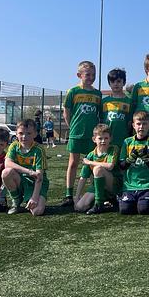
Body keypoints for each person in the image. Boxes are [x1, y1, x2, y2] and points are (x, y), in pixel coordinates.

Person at [61, 61, 102, 207]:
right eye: (87, 74)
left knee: (93, 164)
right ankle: (68, 195)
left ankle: (93, 193)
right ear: (79, 75)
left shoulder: (97, 94)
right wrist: (72, 127)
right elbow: (66, 112)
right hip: (76, 134)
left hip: (92, 136)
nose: (91, 77)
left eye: (93, 75)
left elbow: (99, 114)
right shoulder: (73, 91)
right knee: (73, 163)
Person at [1, 119, 49, 216]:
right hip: (21, 179)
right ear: (16, 134)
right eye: (21, 133)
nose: (24, 136)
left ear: (35, 134)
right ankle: (16, 201)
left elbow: (39, 177)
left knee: (37, 211)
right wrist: (29, 171)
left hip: (36, 182)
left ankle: (30, 198)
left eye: (28, 133)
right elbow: (7, 163)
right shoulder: (14, 146)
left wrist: (34, 198)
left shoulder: (39, 149)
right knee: (6, 172)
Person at [118, 111, 149, 215]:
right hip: (129, 185)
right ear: (133, 125)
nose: (141, 127)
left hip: (147, 185)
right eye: (138, 124)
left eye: (144, 124)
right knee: (125, 210)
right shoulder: (127, 142)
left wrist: (146, 159)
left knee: (144, 209)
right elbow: (122, 166)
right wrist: (130, 159)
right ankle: (124, 198)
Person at [74, 124, 120, 215]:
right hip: (97, 187)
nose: (103, 141)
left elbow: (110, 166)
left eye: (106, 138)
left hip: (113, 186)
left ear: (110, 138)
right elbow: (83, 177)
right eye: (100, 138)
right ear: (94, 139)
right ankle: (105, 202)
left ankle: (99, 204)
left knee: (98, 169)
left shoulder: (113, 149)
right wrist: (76, 197)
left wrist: (90, 162)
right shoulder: (91, 155)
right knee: (80, 207)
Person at [102, 68, 132, 149]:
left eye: (118, 81)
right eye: (112, 81)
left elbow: (130, 123)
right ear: (109, 83)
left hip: (123, 140)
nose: (115, 84)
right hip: (106, 140)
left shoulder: (129, 102)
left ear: (124, 82)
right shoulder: (104, 102)